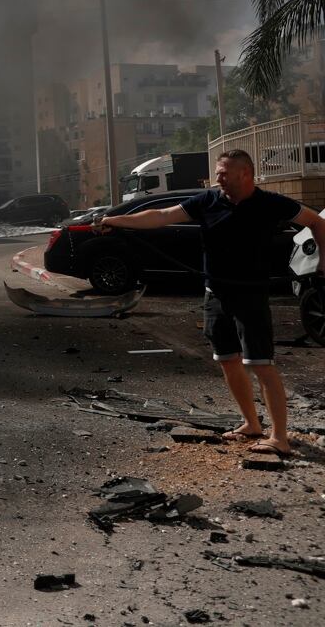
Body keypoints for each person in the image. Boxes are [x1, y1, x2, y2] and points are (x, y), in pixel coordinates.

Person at [95, 149, 325, 458]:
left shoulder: (272, 204)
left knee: (261, 365)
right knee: (227, 360)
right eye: (217, 173)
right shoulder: (208, 201)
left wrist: (323, 261)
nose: (217, 178)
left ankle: (279, 437)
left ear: (245, 174)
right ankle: (250, 424)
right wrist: (118, 220)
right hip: (215, 293)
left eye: (223, 173)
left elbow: (316, 222)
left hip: (251, 295)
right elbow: (163, 215)